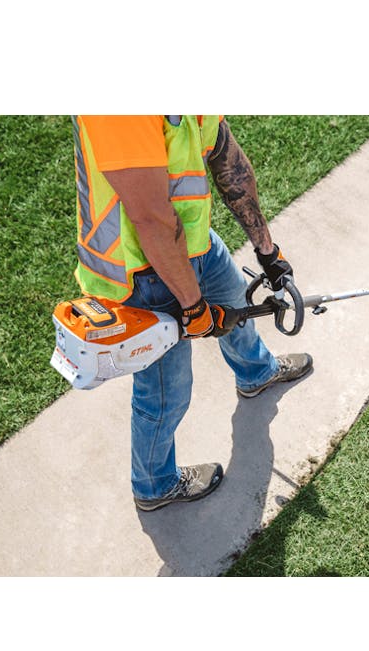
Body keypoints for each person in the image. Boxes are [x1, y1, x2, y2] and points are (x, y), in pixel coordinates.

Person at [71, 115, 312, 511]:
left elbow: (227, 160)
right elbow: (151, 219)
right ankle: (154, 484)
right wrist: (193, 305)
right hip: (142, 270)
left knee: (235, 301)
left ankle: (257, 372)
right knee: (166, 391)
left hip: (194, 241)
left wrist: (267, 250)